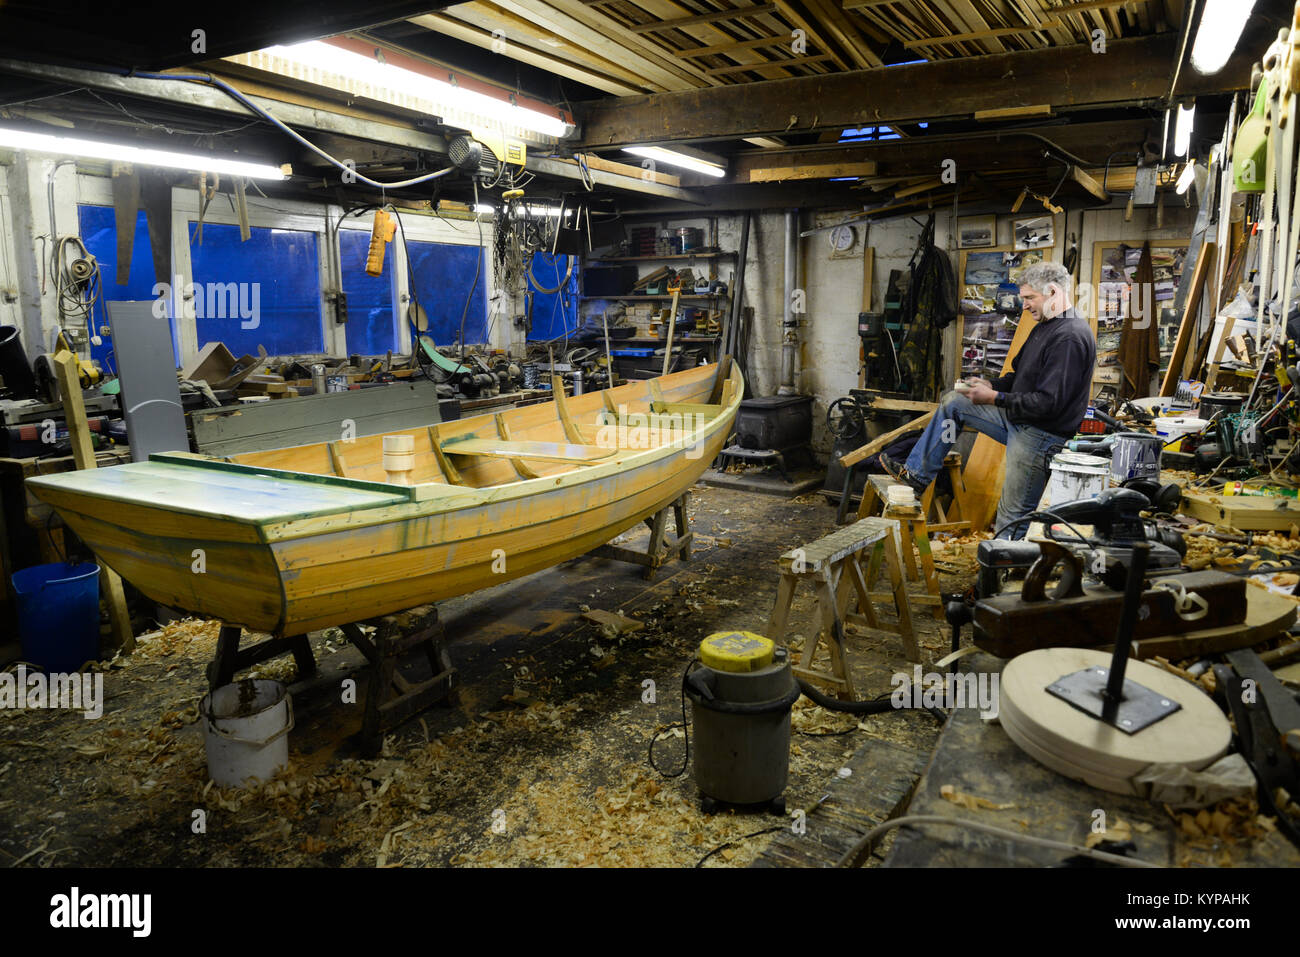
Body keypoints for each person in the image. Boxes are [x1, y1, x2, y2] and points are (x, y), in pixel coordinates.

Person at [880, 261, 1095, 539]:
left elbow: (1047, 404)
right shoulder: (1044, 325)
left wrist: (994, 398)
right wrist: (990, 385)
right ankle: (917, 477)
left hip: (1040, 436)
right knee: (954, 402)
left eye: (1030, 298)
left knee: (1012, 516)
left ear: (1053, 292)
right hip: (1020, 420)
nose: (1024, 306)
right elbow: (1018, 378)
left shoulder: (1069, 337)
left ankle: (1001, 565)